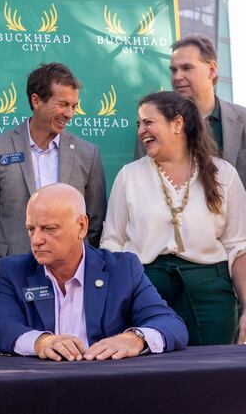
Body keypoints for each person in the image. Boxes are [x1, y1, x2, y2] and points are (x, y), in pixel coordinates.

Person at [103, 91, 246, 345]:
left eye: (148, 122)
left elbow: (239, 248)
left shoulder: (224, 174)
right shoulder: (129, 176)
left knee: (212, 374)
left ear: (177, 124)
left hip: (211, 295)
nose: (140, 131)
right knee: (154, 378)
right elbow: (113, 243)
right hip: (146, 292)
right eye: (139, 124)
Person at [0, 183, 187, 360]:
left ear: (82, 227)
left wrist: (134, 339)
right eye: (31, 229)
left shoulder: (122, 269)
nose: (36, 240)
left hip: (106, 385)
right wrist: (41, 342)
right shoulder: (13, 271)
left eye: (49, 229)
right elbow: (0, 331)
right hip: (41, 387)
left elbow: (171, 324)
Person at [0, 63, 107, 303]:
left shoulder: (87, 154)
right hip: (12, 275)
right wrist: (4, 257)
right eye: (63, 104)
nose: (70, 114)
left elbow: (94, 220)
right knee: (11, 338)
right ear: (36, 101)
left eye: (74, 106)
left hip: (70, 277)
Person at [135, 35, 246, 188]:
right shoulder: (152, 126)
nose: (177, 77)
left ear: (212, 70)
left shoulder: (243, 120)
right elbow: (141, 185)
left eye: (187, 68)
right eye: (174, 70)